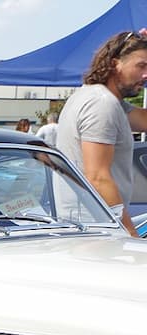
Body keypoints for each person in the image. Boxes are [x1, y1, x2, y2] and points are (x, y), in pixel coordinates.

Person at [58, 28, 147, 236]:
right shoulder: (102, 104)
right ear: (115, 63)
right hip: (96, 231)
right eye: (140, 66)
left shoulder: (99, 98)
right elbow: (98, 178)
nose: (145, 75)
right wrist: (130, 236)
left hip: (91, 227)